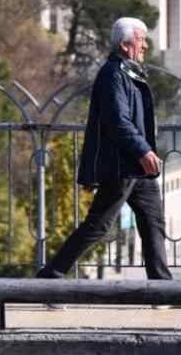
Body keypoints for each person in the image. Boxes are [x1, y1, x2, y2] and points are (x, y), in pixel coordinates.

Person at [37, 17, 172, 284]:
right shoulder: (113, 74)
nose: (145, 45)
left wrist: (142, 153)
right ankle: (48, 278)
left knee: (153, 223)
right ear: (124, 44)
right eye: (141, 40)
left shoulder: (129, 71)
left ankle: (162, 288)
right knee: (97, 226)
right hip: (122, 166)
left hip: (136, 168)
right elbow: (117, 121)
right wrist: (143, 150)